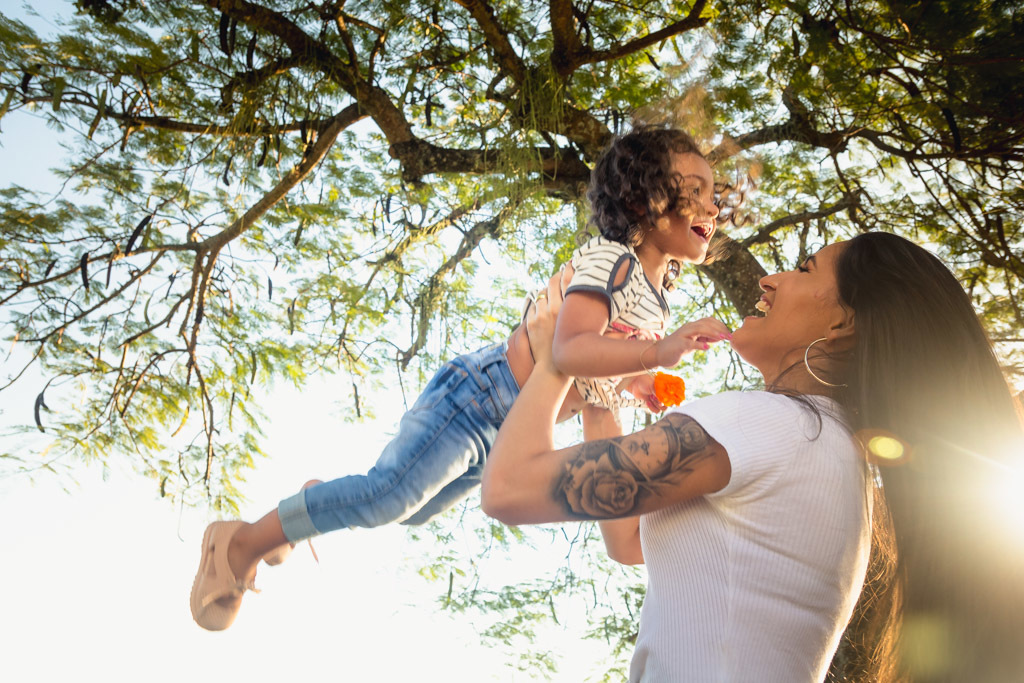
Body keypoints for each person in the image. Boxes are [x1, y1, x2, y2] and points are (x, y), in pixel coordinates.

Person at [189, 126, 732, 631]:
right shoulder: (610, 260)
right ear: (645, 200)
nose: (713, 205)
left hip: (508, 431)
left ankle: (320, 500)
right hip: (481, 397)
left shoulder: (655, 300)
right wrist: (661, 349)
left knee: (412, 511)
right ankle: (241, 543)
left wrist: (641, 381)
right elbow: (568, 347)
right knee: (388, 499)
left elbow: (602, 367)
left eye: (714, 192)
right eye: (696, 190)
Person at [480, 231, 1024, 682]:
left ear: (841, 325)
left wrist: (558, 357)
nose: (769, 279)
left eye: (805, 269)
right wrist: (599, 392)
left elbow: (508, 489)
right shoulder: (830, 454)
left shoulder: (773, 425)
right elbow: (628, 540)